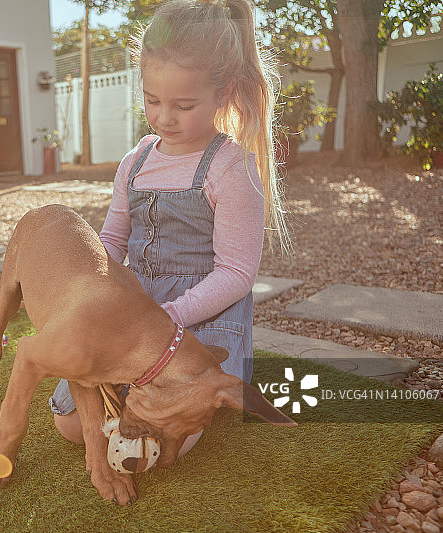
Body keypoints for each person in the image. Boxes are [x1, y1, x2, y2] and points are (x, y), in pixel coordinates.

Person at [50, 0, 290, 457]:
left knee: (163, 439)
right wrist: (95, 290)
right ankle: (131, 396)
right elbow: (112, 240)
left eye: (184, 105)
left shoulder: (231, 167)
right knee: (69, 424)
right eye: (153, 100)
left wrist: (169, 318)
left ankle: (183, 398)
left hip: (202, 316)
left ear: (224, 93)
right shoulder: (135, 162)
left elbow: (237, 273)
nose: (164, 117)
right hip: (136, 310)